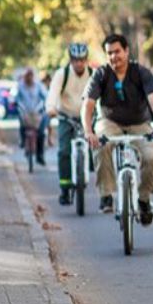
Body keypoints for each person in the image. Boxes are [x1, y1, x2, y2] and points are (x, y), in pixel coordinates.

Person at [81, 34, 153, 223]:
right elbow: (87, 105)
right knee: (100, 145)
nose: (114, 57)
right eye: (109, 53)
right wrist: (89, 131)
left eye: (117, 51)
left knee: (151, 157)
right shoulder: (101, 74)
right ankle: (106, 194)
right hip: (109, 122)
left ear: (127, 51)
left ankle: (144, 199)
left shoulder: (141, 73)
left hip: (140, 123)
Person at [46, 43, 93, 205]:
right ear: (71, 60)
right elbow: (53, 93)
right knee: (64, 151)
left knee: (96, 147)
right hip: (66, 116)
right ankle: (65, 189)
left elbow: (101, 95)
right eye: (75, 60)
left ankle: (96, 183)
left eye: (82, 60)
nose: (79, 63)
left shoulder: (93, 74)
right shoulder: (62, 74)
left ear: (86, 60)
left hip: (87, 117)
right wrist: (51, 108)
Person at [16, 67, 48, 166]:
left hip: (37, 112)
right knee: (22, 125)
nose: (29, 78)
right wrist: (16, 103)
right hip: (25, 112)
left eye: (30, 76)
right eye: (27, 76)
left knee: (41, 133)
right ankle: (22, 141)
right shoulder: (20, 86)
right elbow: (16, 97)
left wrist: (45, 104)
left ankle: (40, 155)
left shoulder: (38, 86)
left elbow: (45, 96)